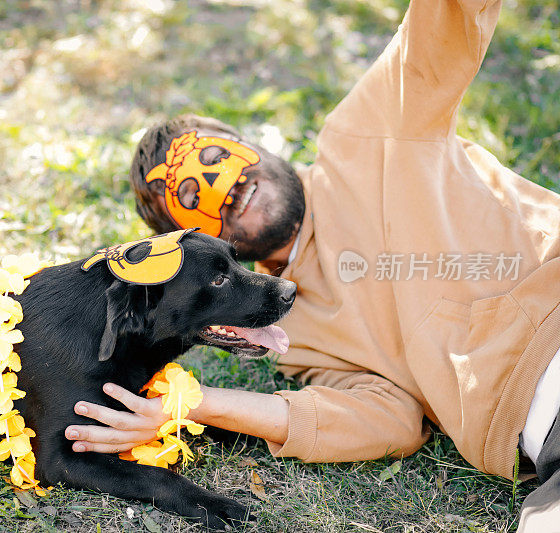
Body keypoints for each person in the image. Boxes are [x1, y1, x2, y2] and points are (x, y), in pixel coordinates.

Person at [64, 0, 560, 529]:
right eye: (190, 196)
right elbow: (387, 419)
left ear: (251, 145)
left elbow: (441, 28)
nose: (224, 187)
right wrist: (194, 403)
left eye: (216, 157)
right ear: (194, 243)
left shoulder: (363, 136)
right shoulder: (293, 332)